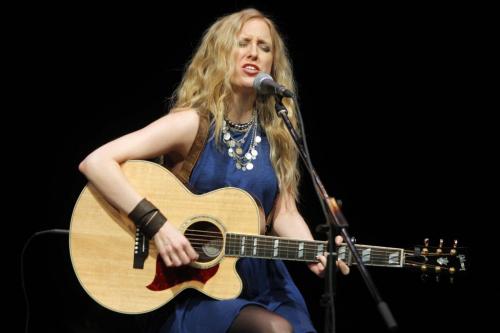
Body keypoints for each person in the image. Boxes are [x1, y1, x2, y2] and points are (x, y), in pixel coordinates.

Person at [79, 8, 349, 333]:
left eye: (264, 47)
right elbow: (96, 162)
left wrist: (313, 255)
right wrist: (158, 226)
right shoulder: (192, 123)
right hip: (192, 280)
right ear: (221, 52)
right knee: (273, 329)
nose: (253, 53)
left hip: (264, 280)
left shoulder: (279, 134)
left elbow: (284, 213)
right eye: (243, 42)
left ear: (273, 65)